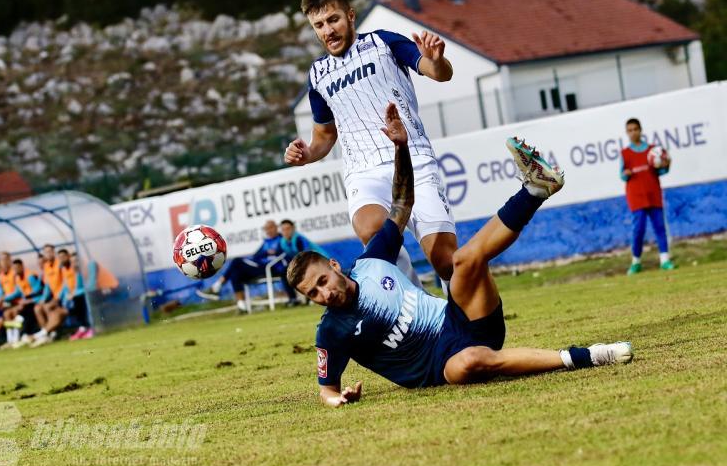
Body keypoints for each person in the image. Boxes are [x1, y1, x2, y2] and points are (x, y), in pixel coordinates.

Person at [286, 103, 633, 407]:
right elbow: (326, 390)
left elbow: (402, 202)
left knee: (463, 261)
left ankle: (535, 189)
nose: (323, 293)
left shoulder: (372, 263)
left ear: (333, 266)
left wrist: (401, 146)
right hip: (441, 366)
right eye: (312, 293)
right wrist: (338, 398)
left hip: (462, 318)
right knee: (469, 362)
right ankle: (588, 355)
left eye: (321, 281)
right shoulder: (331, 332)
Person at [285, 0, 457, 291]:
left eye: (333, 19)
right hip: (363, 172)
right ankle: (418, 310)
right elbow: (324, 135)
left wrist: (437, 59)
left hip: (412, 157)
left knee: (444, 259)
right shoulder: (317, 75)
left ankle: (464, 321)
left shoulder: (383, 43)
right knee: (373, 235)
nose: (328, 30)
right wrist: (307, 154)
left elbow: (438, 73)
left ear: (350, 16)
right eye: (319, 25)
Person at [197, 220, 298, 311]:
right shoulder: (266, 242)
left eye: (271, 228)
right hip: (260, 267)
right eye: (266, 229)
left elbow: (282, 253)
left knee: (236, 261)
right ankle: (242, 306)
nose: (268, 231)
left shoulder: (282, 239)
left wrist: (269, 253)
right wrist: (267, 252)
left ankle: (217, 287)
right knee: (235, 273)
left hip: (271, 268)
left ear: (276, 227)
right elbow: (256, 255)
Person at [620, 118, 675, 275]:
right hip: (636, 196)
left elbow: (662, 171)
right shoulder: (625, 153)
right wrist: (626, 174)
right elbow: (622, 175)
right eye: (629, 130)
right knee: (638, 230)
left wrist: (667, 164)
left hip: (653, 193)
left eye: (635, 129)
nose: (633, 132)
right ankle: (636, 262)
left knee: (659, 227)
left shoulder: (653, 151)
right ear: (627, 132)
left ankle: (665, 260)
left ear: (640, 130)